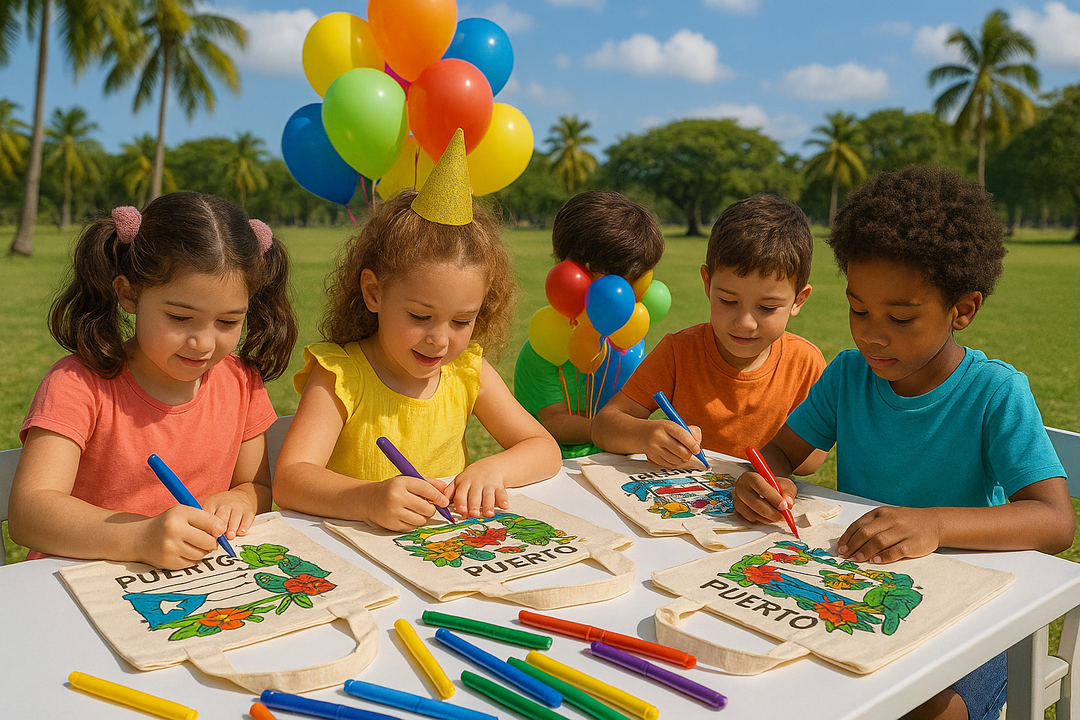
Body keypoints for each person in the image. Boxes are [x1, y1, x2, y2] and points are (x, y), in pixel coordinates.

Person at [733, 166, 1073, 720]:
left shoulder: (994, 393)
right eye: (858, 309)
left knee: (922, 709)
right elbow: (780, 453)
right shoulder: (848, 376)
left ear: (962, 310)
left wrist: (933, 525)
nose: (871, 333)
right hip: (856, 592)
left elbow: (1055, 521)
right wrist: (762, 478)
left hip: (971, 618)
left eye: (900, 316)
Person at [273, 130, 561, 532]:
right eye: (420, 317)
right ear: (374, 292)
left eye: (462, 321)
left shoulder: (467, 372)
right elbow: (290, 480)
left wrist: (493, 469)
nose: (440, 340)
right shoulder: (342, 375)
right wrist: (368, 498)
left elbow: (544, 449)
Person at [9, 192, 297, 570]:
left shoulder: (241, 382)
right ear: (129, 294)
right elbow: (29, 513)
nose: (204, 343)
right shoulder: (78, 384)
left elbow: (255, 487)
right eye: (179, 317)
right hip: (77, 587)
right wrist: (141, 536)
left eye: (228, 322)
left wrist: (241, 501)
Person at [591, 194, 827, 473]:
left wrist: (777, 455)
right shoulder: (678, 352)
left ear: (798, 300)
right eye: (728, 301)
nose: (745, 322)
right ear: (707, 283)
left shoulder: (806, 363)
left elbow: (812, 461)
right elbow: (604, 425)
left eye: (767, 307)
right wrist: (646, 435)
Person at [513, 190, 665, 458]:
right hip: (558, 467)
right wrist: (623, 432)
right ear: (578, 272)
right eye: (620, 282)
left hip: (619, 460)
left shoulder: (627, 334)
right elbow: (554, 422)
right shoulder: (546, 347)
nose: (626, 297)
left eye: (637, 281)